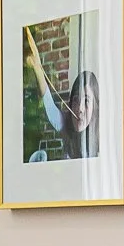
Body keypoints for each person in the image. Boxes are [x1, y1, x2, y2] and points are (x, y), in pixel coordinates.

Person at [25, 29, 99, 160]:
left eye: (86, 101)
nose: (79, 109)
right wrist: (37, 67)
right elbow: (49, 105)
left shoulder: (103, 141)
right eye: (76, 100)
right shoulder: (67, 124)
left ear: (96, 107)